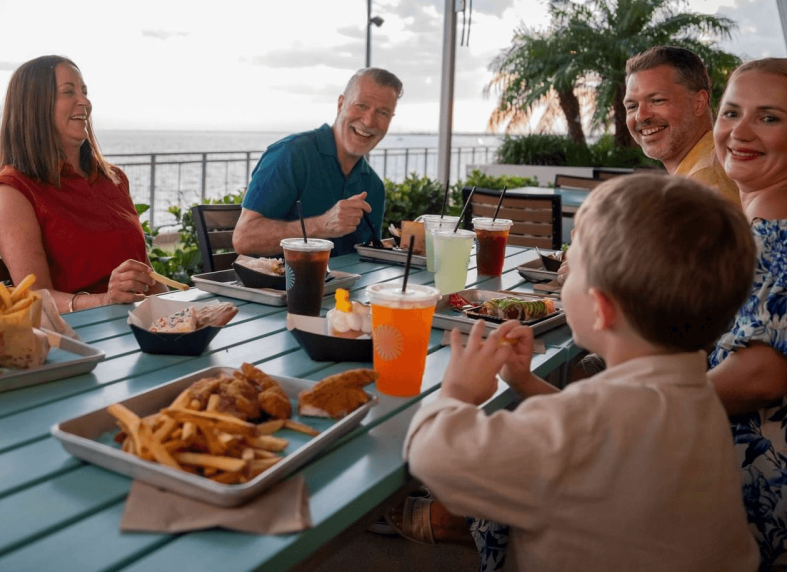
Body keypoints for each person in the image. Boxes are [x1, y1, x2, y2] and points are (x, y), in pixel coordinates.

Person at [403, 174, 759, 571]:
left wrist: (457, 392)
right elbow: (607, 431)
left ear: (600, 309)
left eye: (570, 272)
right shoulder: (698, 399)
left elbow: (433, 457)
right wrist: (525, 382)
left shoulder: (582, 424)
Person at [0, 55, 165, 315]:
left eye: (84, 92)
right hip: (76, 332)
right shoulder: (13, 190)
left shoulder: (114, 179)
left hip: (138, 323)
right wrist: (105, 300)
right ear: (35, 107)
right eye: (68, 92)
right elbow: (35, 297)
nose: (86, 102)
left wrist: (180, 310)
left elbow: (148, 277)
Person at [708, 57, 787, 566]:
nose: (740, 131)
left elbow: (762, 375)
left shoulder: (776, 227)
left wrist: (641, 407)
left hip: (757, 495)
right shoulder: (759, 218)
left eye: (769, 117)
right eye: (732, 112)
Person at [233, 68, 402, 257]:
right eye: (361, 105)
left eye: (383, 113)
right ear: (341, 104)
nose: (369, 121)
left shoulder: (374, 186)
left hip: (341, 279)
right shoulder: (292, 153)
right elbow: (243, 239)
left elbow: (367, 259)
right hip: (278, 277)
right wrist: (322, 225)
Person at [623, 45, 740, 204]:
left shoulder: (703, 185)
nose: (641, 116)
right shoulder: (714, 165)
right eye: (632, 106)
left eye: (657, 100)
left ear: (698, 103)